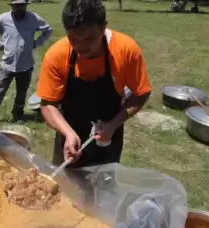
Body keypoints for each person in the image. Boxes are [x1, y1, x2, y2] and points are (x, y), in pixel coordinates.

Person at [36, 0, 152, 168]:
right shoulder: (56, 55)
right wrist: (68, 133)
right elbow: (47, 104)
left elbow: (141, 93)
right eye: (73, 38)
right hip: (68, 134)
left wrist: (112, 125)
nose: (81, 46)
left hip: (108, 138)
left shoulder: (126, 51)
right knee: (64, 189)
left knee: (103, 189)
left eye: (89, 38)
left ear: (103, 28)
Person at [0, 0, 52, 120]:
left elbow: (48, 30)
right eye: (16, 6)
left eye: (22, 5)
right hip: (7, 64)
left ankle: (18, 115)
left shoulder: (33, 18)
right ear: (12, 6)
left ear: (26, 5)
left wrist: (36, 43)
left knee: (21, 93)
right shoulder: (3, 19)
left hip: (26, 64)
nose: (19, 8)